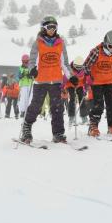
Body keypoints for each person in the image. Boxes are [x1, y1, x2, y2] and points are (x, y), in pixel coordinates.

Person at [20, 16, 76, 144]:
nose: (52, 30)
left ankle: (58, 133)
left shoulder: (60, 43)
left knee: (57, 108)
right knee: (36, 107)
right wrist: (32, 69)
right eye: (49, 27)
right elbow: (32, 60)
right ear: (43, 28)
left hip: (56, 82)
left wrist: (71, 76)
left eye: (54, 27)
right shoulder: (38, 43)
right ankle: (26, 128)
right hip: (41, 81)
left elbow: (65, 64)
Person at [63, 56, 90, 126]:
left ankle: (84, 117)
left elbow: (86, 80)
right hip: (70, 86)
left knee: (82, 99)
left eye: (80, 67)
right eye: (77, 67)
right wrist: (62, 88)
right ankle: (71, 118)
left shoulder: (84, 70)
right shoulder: (69, 70)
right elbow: (64, 80)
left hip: (80, 86)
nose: (78, 69)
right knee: (72, 99)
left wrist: (85, 88)